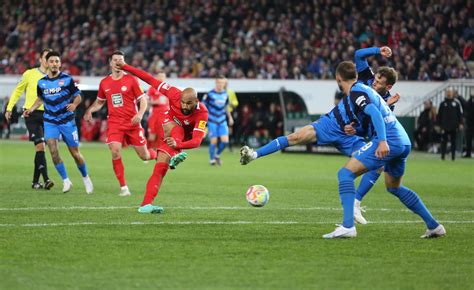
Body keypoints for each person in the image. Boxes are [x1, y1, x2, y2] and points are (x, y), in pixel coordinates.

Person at [240, 61, 445, 239]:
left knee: (345, 174)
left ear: (338, 79)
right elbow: (372, 115)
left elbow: (374, 112)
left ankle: (348, 226)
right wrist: (357, 128)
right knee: (394, 187)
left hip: (390, 140)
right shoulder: (366, 91)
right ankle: (434, 226)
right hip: (403, 141)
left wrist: (382, 141)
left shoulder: (357, 91)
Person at [115, 59, 208, 214]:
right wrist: (125, 66)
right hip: (170, 123)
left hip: (186, 136)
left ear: (196, 101)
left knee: (180, 140)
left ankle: (174, 155)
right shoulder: (173, 93)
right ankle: (145, 205)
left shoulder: (202, 112)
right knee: (160, 168)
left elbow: (197, 141)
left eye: (188, 104)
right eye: (183, 103)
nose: (184, 106)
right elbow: (149, 79)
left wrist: (178, 146)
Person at [84, 50, 157, 196]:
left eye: (121, 60)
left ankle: (160, 154)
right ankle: (124, 187)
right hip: (115, 123)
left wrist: (140, 114)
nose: (118, 62)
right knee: (115, 151)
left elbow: (143, 100)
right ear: (110, 63)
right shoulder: (104, 82)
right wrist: (90, 110)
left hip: (132, 123)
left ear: (124, 63)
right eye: (115, 60)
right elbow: (100, 102)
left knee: (145, 156)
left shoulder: (131, 80)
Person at [341, 46, 401, 224]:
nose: (374, 82)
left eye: (379, 82)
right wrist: (378, 50)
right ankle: (354, 204)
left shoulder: (388, 102)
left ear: (388, 86)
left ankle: (355, 204)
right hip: (342, 122)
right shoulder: (366, 77)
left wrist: (387, 104)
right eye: (375, 78)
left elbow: (370, 123)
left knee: (380, 167)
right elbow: (358, 54)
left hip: (356, 130)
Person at [24, 51, 93, 194]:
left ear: (60, 64)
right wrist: (31, 109)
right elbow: (41, 99)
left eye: (57, 61)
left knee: (75, 153)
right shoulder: (41, 82)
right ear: (47, 64)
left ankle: (86, 178)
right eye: (52, 61)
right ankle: (66, 181)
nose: (54, 64)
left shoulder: (67, 79)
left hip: (67, 121)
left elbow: (78, 95)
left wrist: (74, 104)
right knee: (53, 151)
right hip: (50, 121)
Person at [5, 48, 54, 190]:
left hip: (48, 115)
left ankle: (35, 182)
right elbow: (18, 90)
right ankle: (46, 179)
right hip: (31, 114)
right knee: (40, 145)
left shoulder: (55, 77)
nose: (49, 60)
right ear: (40, 59)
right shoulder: (29, 74)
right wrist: (9, 107)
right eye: (46, 57)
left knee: (42, 149)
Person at [202, 76, 234, 166]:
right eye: (219, 82)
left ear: (224, 84)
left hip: (222, 120)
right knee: (214, 141)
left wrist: (230, 117)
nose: (220, 84)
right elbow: (203, 106)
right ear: (216, 83)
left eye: (222, 83)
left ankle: (217, 155)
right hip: (212, 120)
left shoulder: (225, 94)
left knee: (225, 141)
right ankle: (211, 160)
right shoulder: (209, 94)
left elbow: (226, 106)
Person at [437, 88, 464, 160]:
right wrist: (439, 125)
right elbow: (439, 115)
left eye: (450, 92)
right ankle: (443, 156)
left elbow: (460, 114)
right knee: (443, 141)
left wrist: (461, 123)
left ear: (452, 93)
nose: (449, 93)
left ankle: (453, 157)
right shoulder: (442, 104)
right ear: (446, 93)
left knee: (453, 141)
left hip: (453, 126)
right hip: (444, 126)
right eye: (448, 92)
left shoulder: (457, 103)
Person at [146, 72, 169, 149]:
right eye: (160, 76)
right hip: (154, 114)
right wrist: (154, 102)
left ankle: (159, 153)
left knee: (162, 136)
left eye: (163, 76)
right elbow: (145, 100)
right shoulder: (152, 88)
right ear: (157, 77)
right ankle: (148, 151)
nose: (162, 78)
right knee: (152, 136)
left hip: (164, 115)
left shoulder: (168, 88)